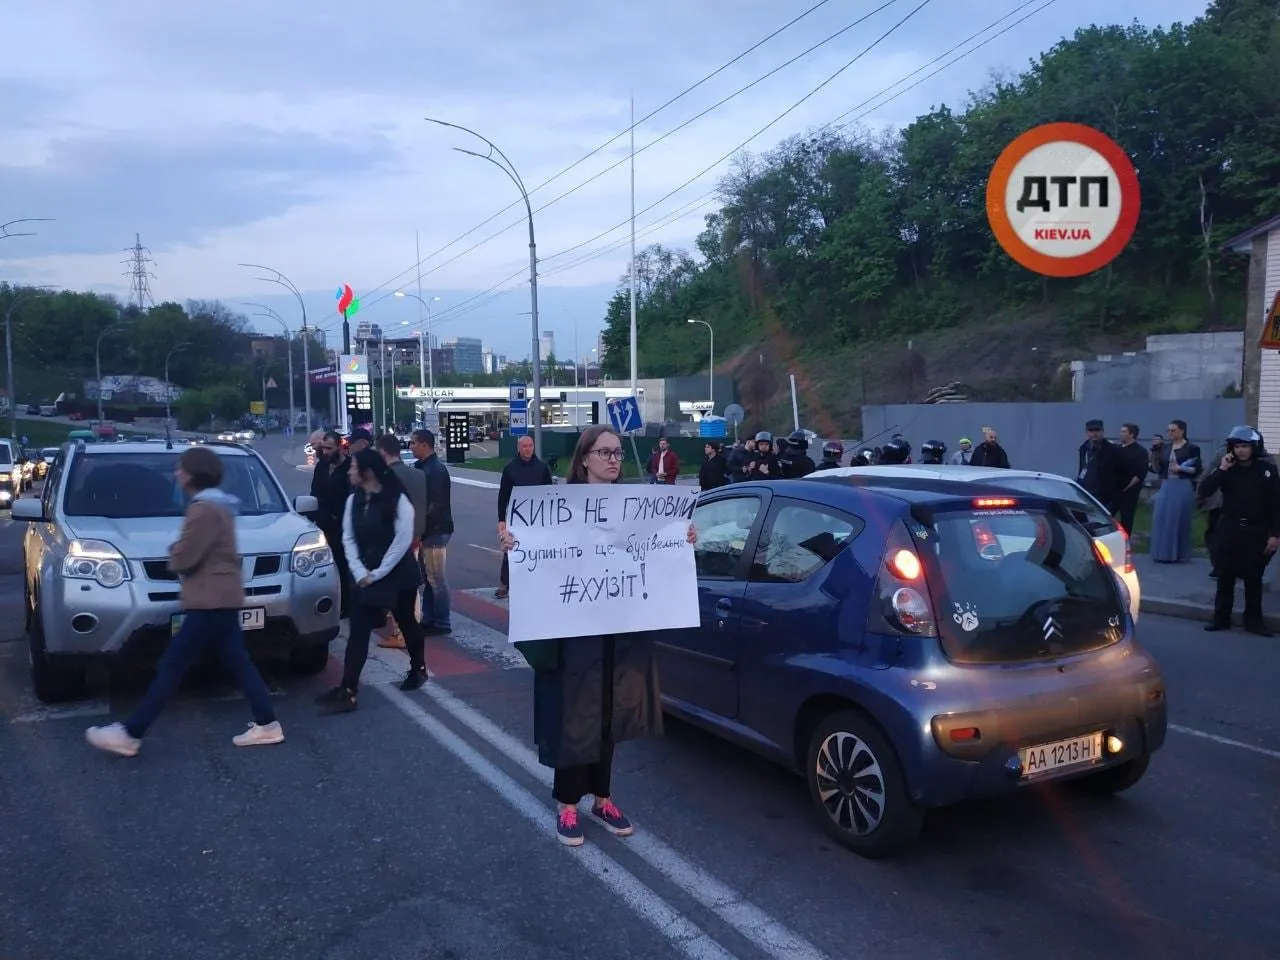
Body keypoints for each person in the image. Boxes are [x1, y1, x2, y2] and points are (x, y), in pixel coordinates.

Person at [499, 424, 696, 847]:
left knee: (611, 710)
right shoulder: (558, 506)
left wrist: (683, 538)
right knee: (574, 714)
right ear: (584, 458)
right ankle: (567, 802)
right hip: (573, 631)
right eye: (604, 452)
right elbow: (536, 551)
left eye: (618, 453)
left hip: (619, 627)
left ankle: (602, 797)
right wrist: (514, 542)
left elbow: (658, 549)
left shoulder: (634, 507)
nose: (612, 459)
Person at [86, 447, 283, 756]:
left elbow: (185, 556)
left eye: (180, 469)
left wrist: (174, 550)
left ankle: (131, 732)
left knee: (174, 664)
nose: (176, 474)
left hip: (210, 598)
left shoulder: (203, 510)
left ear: (193, 474)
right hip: (222, 595)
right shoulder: (219, 505)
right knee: (236, 661)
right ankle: (267, 724)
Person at [316, 448, 427, 712]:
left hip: (396, 573)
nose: (350, 471)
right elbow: (348, 537)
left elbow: (402, 541)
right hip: (366, 575)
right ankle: (348, 690)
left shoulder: (397, 499)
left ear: (368, 472)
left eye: (354, 467)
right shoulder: (354, 500)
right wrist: (358, 571)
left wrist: (377, 573)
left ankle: (418, 668)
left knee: (406, 621)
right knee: (359, 630)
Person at [1197, 425, 1280, 636]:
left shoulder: (1266, 470)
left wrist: (1275, 535)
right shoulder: (1227, 469)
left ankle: (1254, 622)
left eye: (1245, 446)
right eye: (1237, 446)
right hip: (1229, 530)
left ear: (1254, 447)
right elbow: (1205, 490)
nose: (1241, 450)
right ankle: (1221, 619)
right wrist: (1222, 469)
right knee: (1225, 577)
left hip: (1256, 531)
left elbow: (1276, 504)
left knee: (1254, 579)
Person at [375, 433, 428, 649]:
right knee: (412, 585)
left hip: (395, 540)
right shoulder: (418, 474)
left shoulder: (385, 477)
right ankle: (412, 623)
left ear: (383, 452)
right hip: (416, 536)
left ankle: (401, 632)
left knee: (400, 589)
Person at [496, 434, 553, 599]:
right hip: (516, 518)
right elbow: (503, 496)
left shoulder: (542, 468)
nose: (527, 449)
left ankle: (538, 581)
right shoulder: (510, 469)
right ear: (518, 448)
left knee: (537, 549)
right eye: (524, 446)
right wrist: (501, 520)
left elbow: (549, 493)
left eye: (530, 446)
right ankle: (504, 584)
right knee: (511, 549)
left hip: (538, 517)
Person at [412, 428, 454, 635]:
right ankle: (430, 619)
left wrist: (421, 530)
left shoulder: (434, 470)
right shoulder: (424, 468)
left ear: (424, 445)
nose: (411, 446)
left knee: (436, 578)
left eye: (413, 443)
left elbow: (433, 505)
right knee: (429, 578)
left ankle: (442, 621)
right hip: (429, 530)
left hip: (435, 531)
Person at [307, 430, 353, 617]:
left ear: (339, 447)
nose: (325, 452)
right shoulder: (322, 467)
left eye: (329, 448)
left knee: (345, 567)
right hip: (323, 526)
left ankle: (348, 605)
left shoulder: (350, 468)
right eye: (323, 448)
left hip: (345, 527)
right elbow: (314, 494)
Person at [1150, 419, 1201, 563]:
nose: (1170, 433)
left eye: (1173, 430)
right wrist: (1154, 452)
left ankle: (1178, 553)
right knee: (1160, 516)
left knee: (1177, 518)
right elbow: (1157, 468)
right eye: (1169, 430)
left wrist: (1181, 468)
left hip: (1182, 484)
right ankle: (1161, 553)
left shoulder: (1191, 448)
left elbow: (1197, 469)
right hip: (1167, 484)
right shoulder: (1165, 447)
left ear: (1182, 430)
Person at [1078, 419, 1122, 512]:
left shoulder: (1112, 449)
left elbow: (1121, 471)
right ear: (1087, 432)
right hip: (1087, 491)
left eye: (1097, 430)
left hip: (1105, 495)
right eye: (1091, 431)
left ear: (1102, 431)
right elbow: (1082, 468)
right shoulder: (1084, 448)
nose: (1094, 434)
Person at [1114, 423, 1149, 535]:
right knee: (1107, 515)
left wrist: (1126, 487)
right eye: (1121, 431)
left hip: (1129, 491)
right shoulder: (1117, 449)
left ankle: (1125, 542)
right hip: (1113, 490)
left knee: (1127, 518)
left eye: (1124, 432)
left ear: (1132, 435)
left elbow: (1140, 474)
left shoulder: (1140, 452)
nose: (1121, 434)